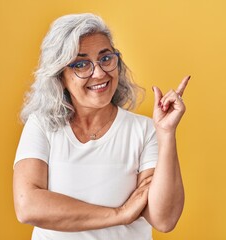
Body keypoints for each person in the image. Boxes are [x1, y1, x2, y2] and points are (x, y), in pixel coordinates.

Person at [13, 13, 189, 240]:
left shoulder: (145, 130)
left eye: (106, 59)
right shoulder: (42, 125)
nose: (99, 73)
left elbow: (164, 219)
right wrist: (120, 214)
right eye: (81, 64)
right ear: (60, 77)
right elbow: (27, 206)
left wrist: (166, 134)